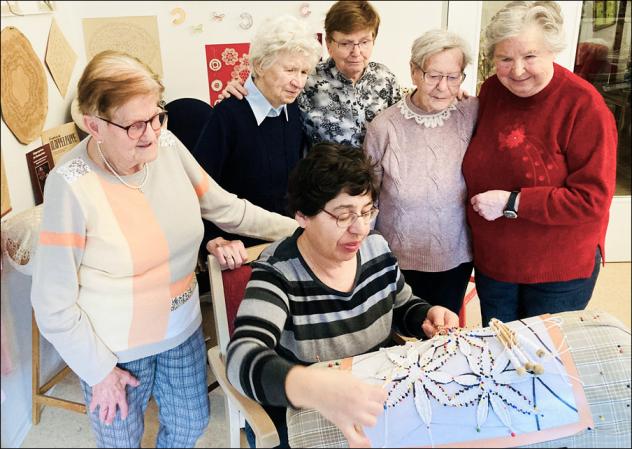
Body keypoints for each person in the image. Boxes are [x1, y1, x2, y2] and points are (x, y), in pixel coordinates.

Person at [30, 50, 298, 448]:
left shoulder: (167, 146)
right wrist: (99, 371)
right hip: (111, 346)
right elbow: (52, 302)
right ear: (93, 125)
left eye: (157, 116)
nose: (151, 133)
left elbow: (225, 208)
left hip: (182, 329)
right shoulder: (70, 184)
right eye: (135, 124)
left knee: (191, 425)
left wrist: (302, 231)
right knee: (120, 439)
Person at [226, 142, 459, 448]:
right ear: (303, 216)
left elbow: (401, 305)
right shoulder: (278, 273)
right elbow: (241, 355)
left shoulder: (376, 249)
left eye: (367, 212)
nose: (359, 229)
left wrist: (424, 316)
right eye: (343, 216)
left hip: (377, 398)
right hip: (310, 411)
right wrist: (312, 387)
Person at [462, 1, 617, 324]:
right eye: (505, 58)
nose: (517, 70)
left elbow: (592, 199)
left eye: (529, 56)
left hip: (557, 269)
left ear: (552, 51)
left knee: (545, 361)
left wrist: (514, 202)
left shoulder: (584, 106)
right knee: (500, 355)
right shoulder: (492, 90)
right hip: (494, 262)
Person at [364, 29, 477, 315]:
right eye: (433, 75)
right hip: (396, 258)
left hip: (455, 255)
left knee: (443, 333)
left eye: (453, 77)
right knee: (398, 337)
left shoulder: (472, 112)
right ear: (414, 72)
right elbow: (369, 195)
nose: (443, 87)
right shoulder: (384, 126)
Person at [194, 15, 321, 249]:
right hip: (241, 247)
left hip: (288, 239)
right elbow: (199, 188)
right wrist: (212, 239)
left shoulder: (293, 110)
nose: (299, 82)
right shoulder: (228, 115)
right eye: (290, 70)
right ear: (260, 65)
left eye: (304, 72)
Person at [221, 0, 403, 147]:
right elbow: (270, 99)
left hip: (378, 184)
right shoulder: (306, 79)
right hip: (325, 186)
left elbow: (403, 129)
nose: (356, 52)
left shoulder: (385, 79)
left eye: (364, 42)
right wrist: (244, 89)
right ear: (329, 44)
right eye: (346, 43)